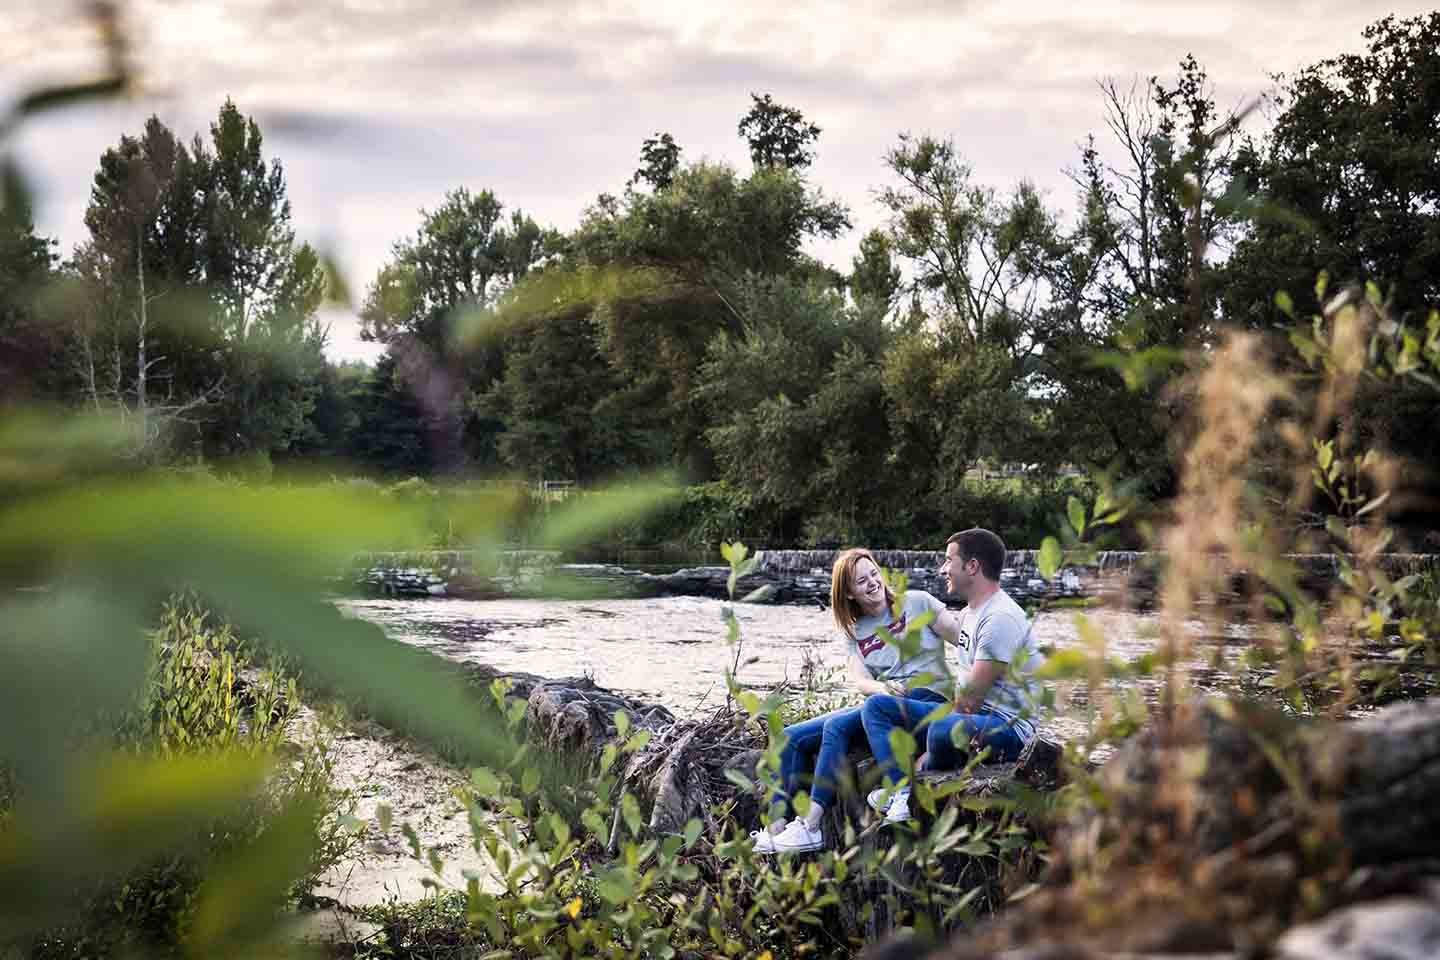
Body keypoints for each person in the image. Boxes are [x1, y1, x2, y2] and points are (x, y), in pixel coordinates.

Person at [755, 547, 952, 854]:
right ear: (848, 592)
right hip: (886, 702)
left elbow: (965, 638)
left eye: (874, 573)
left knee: (837, 724)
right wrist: (881, 687)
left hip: (929, 701)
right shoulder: (855, 631)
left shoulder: (917, 601)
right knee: (790, 737)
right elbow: (859, 679)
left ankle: (811, 826)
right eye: (862, 581)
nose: (872, 582)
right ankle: (777, 828)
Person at [861, 528, 1045, 823]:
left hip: (1009, 730)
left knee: (943, 730)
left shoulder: (1000, 618)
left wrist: (925, 754)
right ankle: (901, 791)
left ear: (972, 566)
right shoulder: (972, 611)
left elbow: (970, 702)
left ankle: (920, 779)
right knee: (878, 707)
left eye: (949, 560)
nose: (942, 569)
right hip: (973, 719)